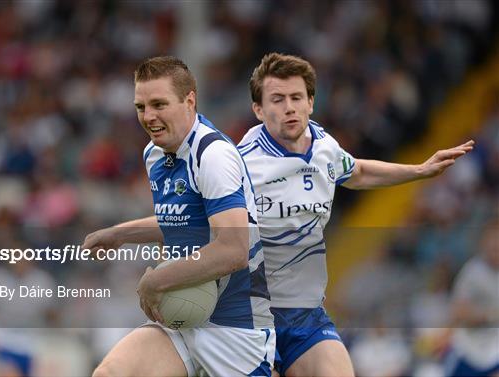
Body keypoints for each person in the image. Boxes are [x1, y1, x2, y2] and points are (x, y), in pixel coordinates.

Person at [237, 52, 474, 377]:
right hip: (251, 317)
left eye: (296, 97)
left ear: (311, 103)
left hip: (305, 315)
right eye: (277, 99)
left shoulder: (322, 145)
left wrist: (419, 170)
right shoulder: (241, 164)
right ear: (259, 110)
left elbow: (358, 171)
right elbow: (205, 223)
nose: (289, 107)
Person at [83, 56, 275, 377]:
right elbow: (183, 221)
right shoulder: (154, 153)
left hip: (236, 330)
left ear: (189, 101)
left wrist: (156, 280)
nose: (149, 117)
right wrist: (119, 234)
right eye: (141, 107)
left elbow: (234, 249)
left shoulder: (212, 155)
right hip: (181, 323)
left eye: (159, 104)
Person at [445, 221, 499, 377]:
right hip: (468, 353)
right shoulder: (473, 273)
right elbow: (458, 312)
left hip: (494, 354)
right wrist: (490, 315)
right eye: (492, 245)